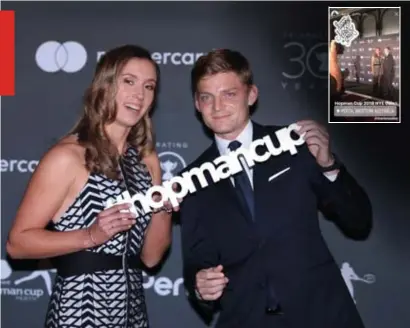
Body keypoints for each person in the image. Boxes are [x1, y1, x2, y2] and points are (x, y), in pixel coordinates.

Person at [179, 49, 372, 328]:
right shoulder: (192, 179)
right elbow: (197, 262)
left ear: (252, 95)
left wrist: (328, 165)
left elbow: (359, 221)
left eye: (229, 93)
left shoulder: (293, 145)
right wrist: (201, 287)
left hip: (322, 315)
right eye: (207, 97)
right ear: (197, 104)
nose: (217, 106)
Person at [6, 44, 173, 328]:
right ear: (105, 85)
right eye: (128, 81)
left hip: (134, 317)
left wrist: (164, 209)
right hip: (78, 314)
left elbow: (151, 257)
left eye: (149, 86)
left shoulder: (147, 161)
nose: (139, 94)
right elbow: (17, 244)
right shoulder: (68, 157)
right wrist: (90, 236)